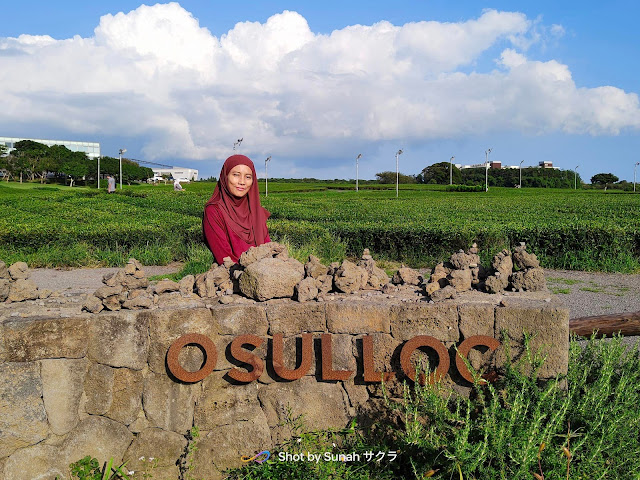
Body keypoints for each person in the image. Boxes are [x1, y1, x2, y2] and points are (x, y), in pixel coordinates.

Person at [203, 155, 270, 264]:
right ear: (225, 176)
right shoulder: (214, 211)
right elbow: (224, 258)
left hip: (262, 273)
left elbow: (268, 248)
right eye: (236, 175)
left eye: (248, 177)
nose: (242, 182)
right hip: (234, 275)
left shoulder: (257, 212)